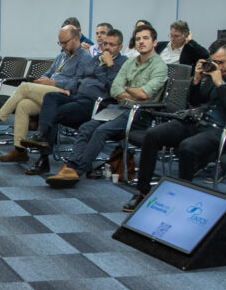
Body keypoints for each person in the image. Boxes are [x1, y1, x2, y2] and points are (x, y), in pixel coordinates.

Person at [123, 40, 226, 211]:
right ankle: (142, 191)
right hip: (200, 122)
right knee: (152, 135)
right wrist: (197, 80)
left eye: (222, 62)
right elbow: (198, 101)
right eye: (215, 62)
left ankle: (182, 197)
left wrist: (221, 84)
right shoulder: (216, 74)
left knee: (187, 147)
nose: (218, 67)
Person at [45, 23, 167, 186]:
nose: (141, 42)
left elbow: (144, 94)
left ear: (155, 42)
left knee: (101, 131)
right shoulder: (130, 63)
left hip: (138, 113)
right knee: (86, 128)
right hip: (118, 107)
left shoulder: (159, 66)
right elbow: (115, 89)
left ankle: (77, 171)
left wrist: (126, 89)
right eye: (138, 39)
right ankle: (70, 166)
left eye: (145, 38)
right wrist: (130, 91)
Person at [0, 23, 91, 163]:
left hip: (64, 94)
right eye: (60, 43)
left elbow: (78, 83)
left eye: (65, 43)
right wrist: (42, 80)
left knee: (25, 87)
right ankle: (20, 151)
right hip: (49, 91)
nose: (62, 46)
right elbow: (49, 73)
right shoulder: (62, 55)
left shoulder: (85, 58)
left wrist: (54, 83)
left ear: (76, 39)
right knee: (23, 105)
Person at [18, 28, 127, 175]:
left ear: (120, 47)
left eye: (112, 45)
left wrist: (109, 65)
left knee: (54, 114)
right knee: (51, 96)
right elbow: (80, 78)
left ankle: (43, 158)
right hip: (77, 95)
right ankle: (42, 136)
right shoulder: (95, 59)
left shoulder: (123, 63)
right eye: (105, 43)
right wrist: (68, 89)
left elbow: (114, 87)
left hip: (95, 103)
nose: (107, 47)